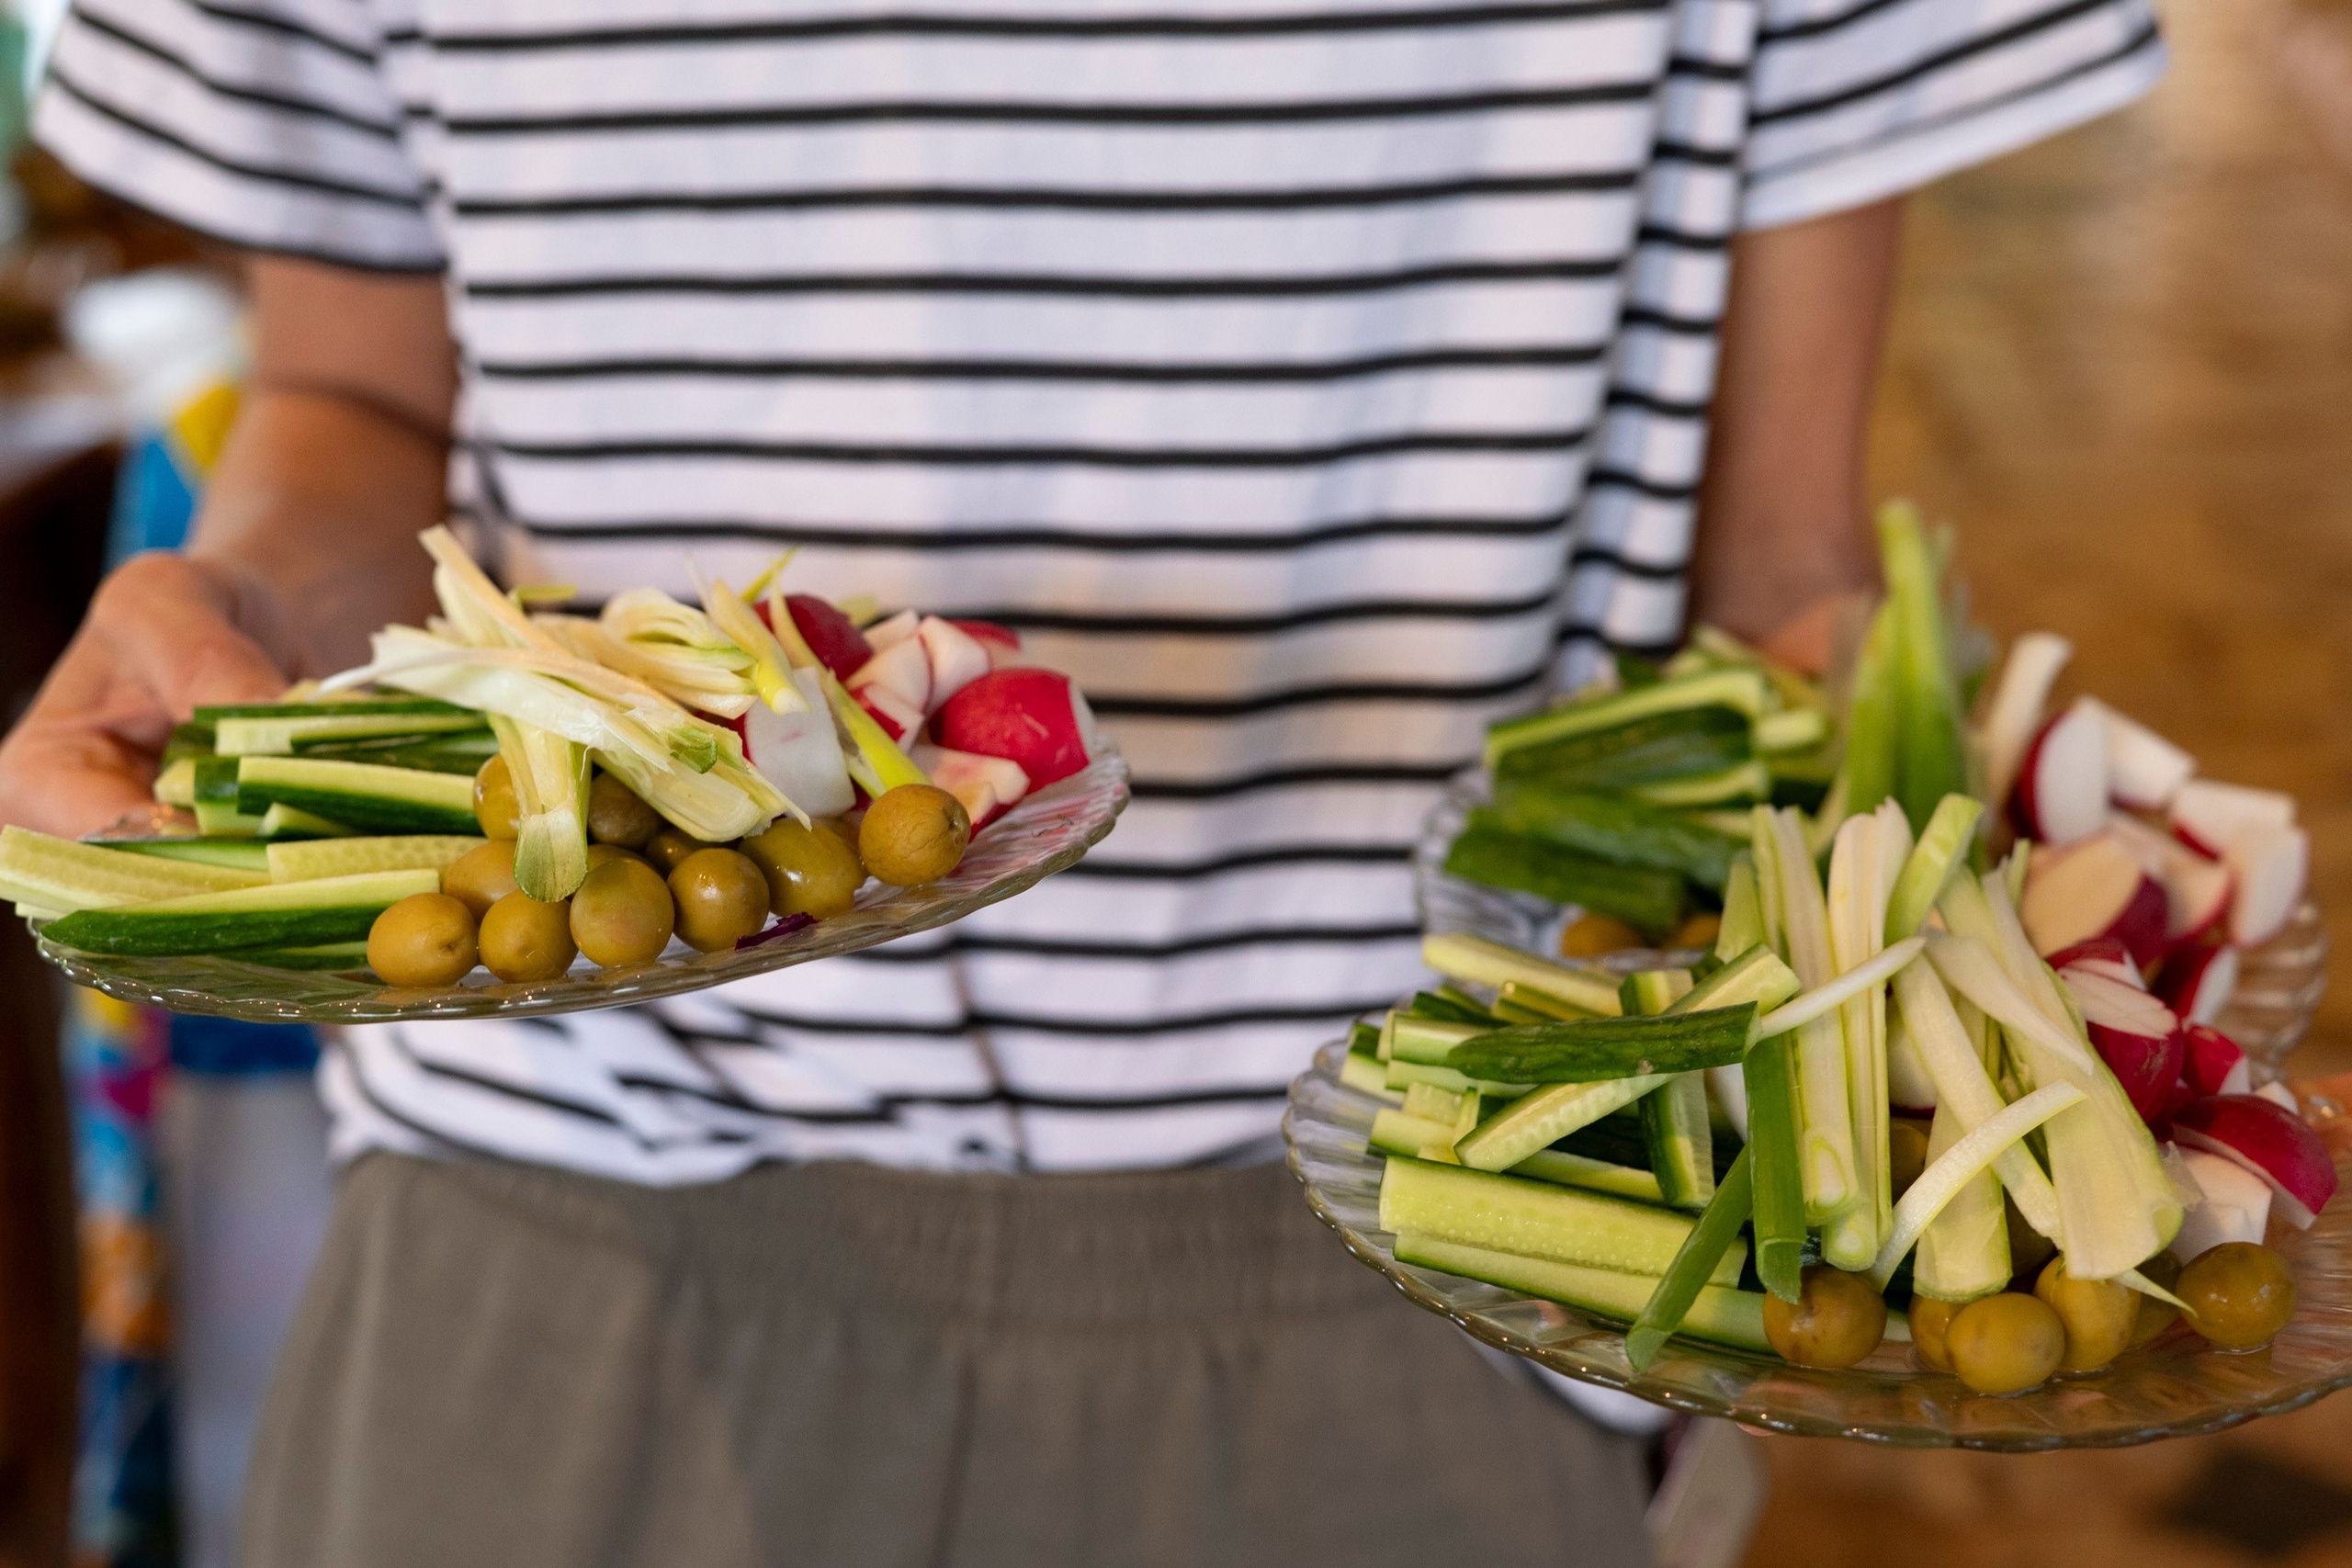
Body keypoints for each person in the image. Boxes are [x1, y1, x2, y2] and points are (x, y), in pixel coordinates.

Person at [3, 1, 2164, 1562]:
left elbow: (1775, 560)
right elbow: (353, 390)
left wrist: (1952, 946)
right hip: (565, 1243)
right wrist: (240, 614)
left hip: (1432, 1259)